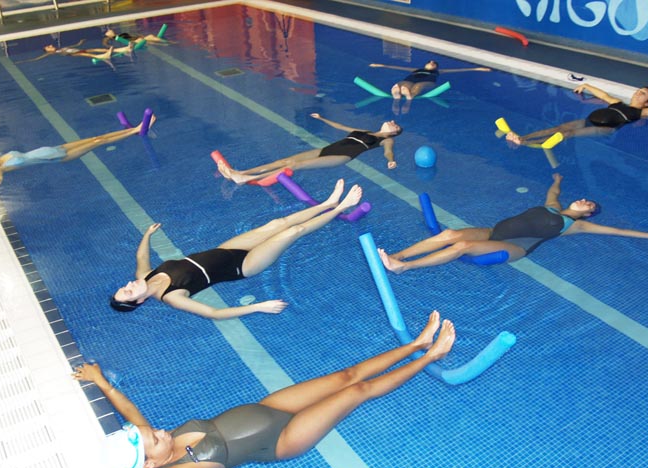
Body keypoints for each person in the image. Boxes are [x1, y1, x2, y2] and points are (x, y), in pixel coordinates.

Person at [73, 311, 455, 468]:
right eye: (154, 439)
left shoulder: (152, 443)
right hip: (280, 441)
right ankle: (432, 357)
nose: (158, 431)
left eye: (151, 431)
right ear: (148, 464)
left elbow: (129, 409)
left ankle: (418, 343)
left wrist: (101, 381)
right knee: (357, 392)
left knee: (345, 376)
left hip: (269, 407)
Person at [111, 179, 363, 319]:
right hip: (243, 266)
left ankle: (328, 203)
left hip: (226, 250)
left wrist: (147, 234)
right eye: (128, 292)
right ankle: (342, 208)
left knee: (277, 223)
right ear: (139, 301)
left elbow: (141, 256)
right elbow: (213, 313)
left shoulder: (144, 276)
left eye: (124, 287)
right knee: (293, 231)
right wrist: (257, 307)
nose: (129, 285)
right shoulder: (172, 297)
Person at [378, 173, 648, 274]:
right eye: (587, 199)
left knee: (462, 246)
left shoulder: (574, 225)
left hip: (515, 246)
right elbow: (554, 193)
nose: (586, 201)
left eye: (590, 206)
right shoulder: (553, 206)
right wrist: (558, 179)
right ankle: (398, 255)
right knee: (449, 233)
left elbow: (618, 231)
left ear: (587, 215)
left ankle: (406, 267)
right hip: (494, 231)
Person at [0, 114, 156, 196]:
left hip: (56, 148)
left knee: (96, 137)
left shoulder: (0, 159)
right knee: (98, 143)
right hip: (59, 157)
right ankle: (136, 130)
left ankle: (132, 129)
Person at [216, 114, 401, 185]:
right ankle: (241, 172)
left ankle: (246, 179)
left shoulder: (386, 140)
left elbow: (388, 152)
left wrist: (391, 160)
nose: (392, 122)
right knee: (286, 161)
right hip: (329, 148)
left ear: (393, 133)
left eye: (395, 125)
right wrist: (321, 118)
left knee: (295, 166)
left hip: (343, 155)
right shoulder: (366, 131)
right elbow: (340, 126)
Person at [505, 83, 648, 146]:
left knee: (568, 134)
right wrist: (586, 86)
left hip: (605, 128)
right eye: (638, 90)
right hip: (589, 120)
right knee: (558, 128)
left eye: (643, 93)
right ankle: (522, 138)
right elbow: (602, 95)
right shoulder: (617, 102)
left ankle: (530, 143)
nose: (638, 93)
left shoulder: (643, 111)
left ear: (647, 101)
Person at [369, 60, 491, 100]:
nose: (432, 63)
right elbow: (398, 67)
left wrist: (477, 69)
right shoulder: (416, 69)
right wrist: (381, 65)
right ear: (425, 65)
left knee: (418, 86)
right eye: (430, 62)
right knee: (402, 84)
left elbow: (457, 70)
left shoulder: (438, 71)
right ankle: (397, 95)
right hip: (411, 80)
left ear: (436, 67)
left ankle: (409, 98)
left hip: (427, 82)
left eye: (434, 63)